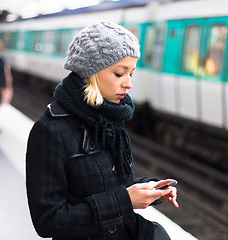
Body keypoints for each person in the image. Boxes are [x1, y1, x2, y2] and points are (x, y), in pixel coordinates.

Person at [26, 22, 178, 240]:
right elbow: (48, 221)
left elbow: (112, 187)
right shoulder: (51, 130)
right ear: (90, 72)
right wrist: (125, 201)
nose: (128, 84)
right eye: (119, 73)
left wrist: (149, 188)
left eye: (131, 74)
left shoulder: (109, 118)